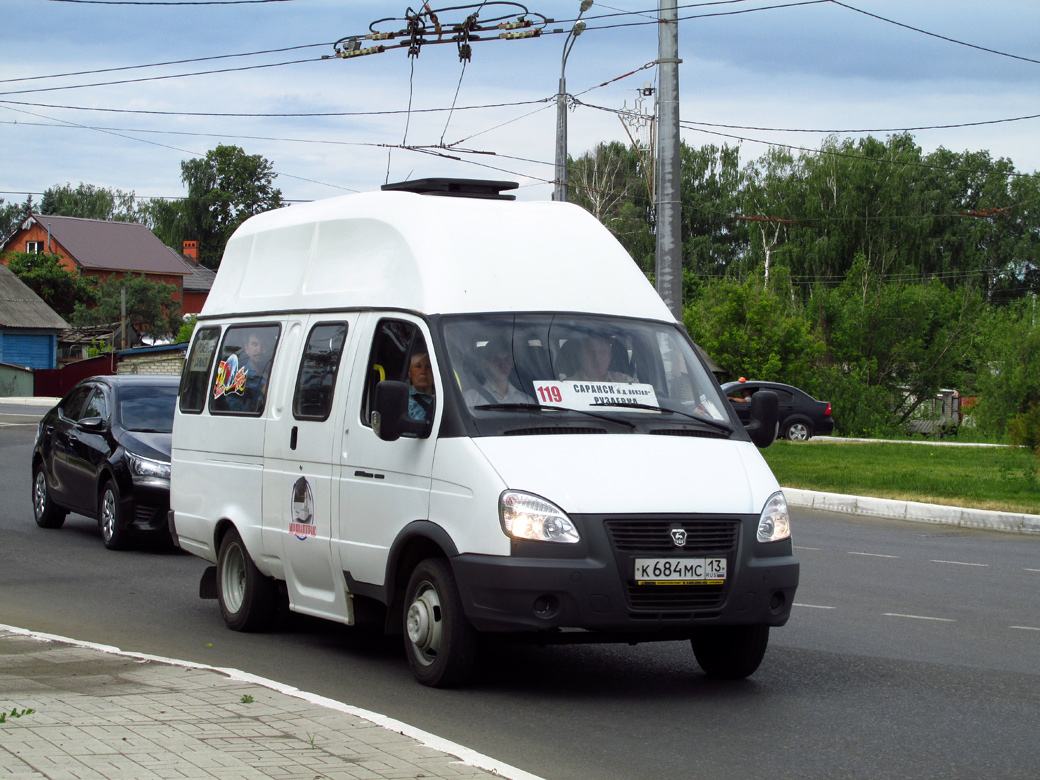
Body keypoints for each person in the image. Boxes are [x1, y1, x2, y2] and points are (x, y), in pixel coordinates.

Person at [464, 337, 528, 406]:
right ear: (485, 363)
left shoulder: (525, 400)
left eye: (507, 359)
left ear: (513, 363)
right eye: (496, 359)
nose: (503, 365)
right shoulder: (470, 399)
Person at [228, 330, 269, 412]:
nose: (259, 349)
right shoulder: (238, 380)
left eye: (263, 345)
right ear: (246, 349)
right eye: (254, 344)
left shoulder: (275, 370)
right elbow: (238, 412)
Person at [570, 335, 635, 383]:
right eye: (590, 352)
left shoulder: (624, 381)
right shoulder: (567, 386)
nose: (596, 357)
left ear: (609, 356)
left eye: (602, 352)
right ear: (580, 355)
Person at [407, 350, 435, 421]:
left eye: (428, 367)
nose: (423, 372)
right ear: (409, 373)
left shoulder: (445, 398)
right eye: (418, 366)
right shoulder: (405, 401)